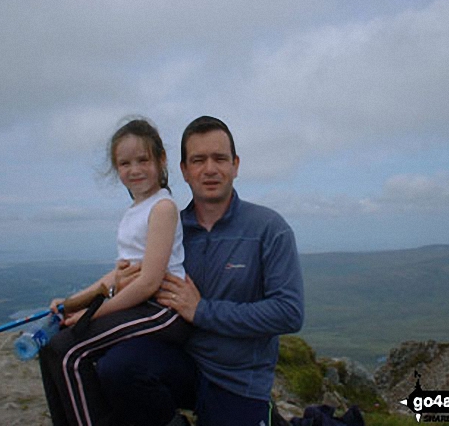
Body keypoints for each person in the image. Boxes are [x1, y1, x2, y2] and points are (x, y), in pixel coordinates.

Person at [97, 116, 305, 426]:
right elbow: (140, 277)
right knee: (115, 368)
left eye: (220, 158)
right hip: (182, 362)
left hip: (238, 379)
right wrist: (116, 284)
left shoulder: (268, 228)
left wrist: (202, 311)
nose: (209, 169)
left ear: (235, 165)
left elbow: (289, 313)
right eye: (198, 160)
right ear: (183, 169)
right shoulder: (170, 226)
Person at [39, 118, 191, 426]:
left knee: (69, 352)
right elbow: (118, 274)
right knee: (52, 347)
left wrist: (92, 315)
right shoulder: (134, 211)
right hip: (139, 306)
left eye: (143, 160)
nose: (134, 170)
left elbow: (149, 282)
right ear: (116, 168)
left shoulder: (163, 208)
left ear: (161, 160)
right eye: (125, 163)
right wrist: (73, 303)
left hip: (162, 311)